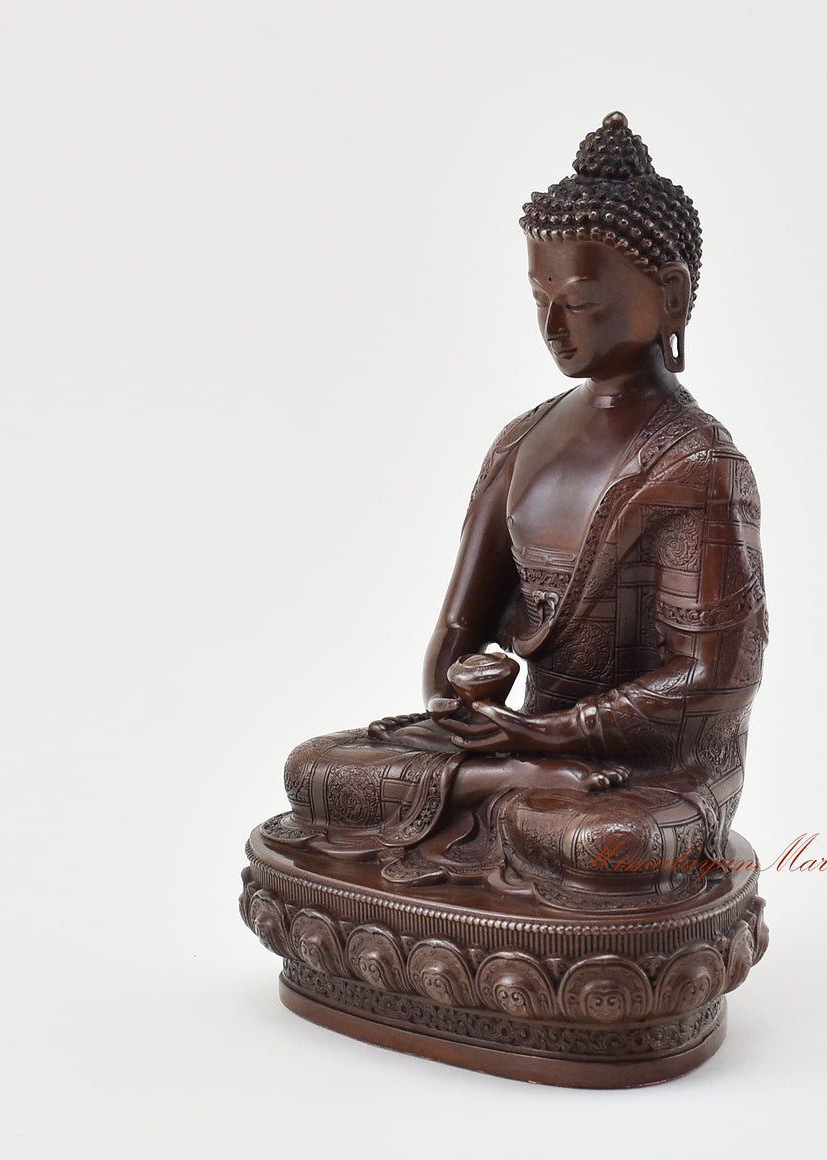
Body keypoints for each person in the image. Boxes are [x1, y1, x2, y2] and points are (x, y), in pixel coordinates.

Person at [263, 113, 767, 911]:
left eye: (582, 303)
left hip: (648, 777)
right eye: (540, 299)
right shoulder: (523, 440)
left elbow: (715, 676)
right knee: (315, 769)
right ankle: (508, 784)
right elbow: (456, 636)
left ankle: (512, 795)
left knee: (600, 846)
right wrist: (465, 704)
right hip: (526, 755)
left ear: (668, 295)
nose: (553, 328)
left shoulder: (698, 466)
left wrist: (560, 734)